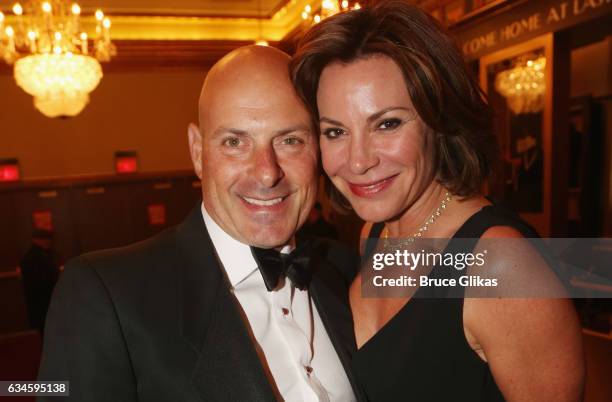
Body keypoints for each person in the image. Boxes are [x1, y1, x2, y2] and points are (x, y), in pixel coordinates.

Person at [291, 2, 585, 401]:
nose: (359, 161)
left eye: (387, 124)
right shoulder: (374, 235)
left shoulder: (501, 265)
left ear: (439, 120)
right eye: (335, 132)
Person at [39, 46, 364, 402]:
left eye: (290, 140)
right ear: (197, 152)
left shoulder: (345, 267)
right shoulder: (105, 296)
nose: (267, 172)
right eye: (235, 142)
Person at [20, 228, 60, 335]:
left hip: (41, 303)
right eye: (46, 239)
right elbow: (43, 281)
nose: (49, 241)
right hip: (43, 302)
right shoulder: (37, 257)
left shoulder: (35, 256)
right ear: (37, 240)